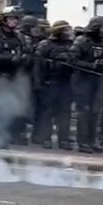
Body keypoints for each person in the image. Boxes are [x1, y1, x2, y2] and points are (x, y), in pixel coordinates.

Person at [0, 6, 31, 146]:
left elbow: (27, 52)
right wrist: (7, 58)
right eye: (11, 19)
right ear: (4, 20)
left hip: (14, 76)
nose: (13, 21)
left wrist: (25, 59)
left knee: (13, 108)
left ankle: (11, 135)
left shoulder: (19, 36)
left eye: (15, 19)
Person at [31, 20, 74, 149]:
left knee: (65, 113)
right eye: (65, 30)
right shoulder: (45, 45)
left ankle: (64, 140)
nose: (68, 33)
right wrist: (38, 82)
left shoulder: (70, 45)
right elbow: (37, 65)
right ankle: (46, 138)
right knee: (47, 113)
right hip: (49, 83)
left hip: (65, 83)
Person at [71, 17, 103, 153]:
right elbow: (72, 60)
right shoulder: (81, 41)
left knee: (95, 112)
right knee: (84, 112)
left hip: (96, 80)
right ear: (96, 27)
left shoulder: (102, 43)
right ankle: (83, 142)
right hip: (82, 80)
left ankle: (93, 141)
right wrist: (90, 65)